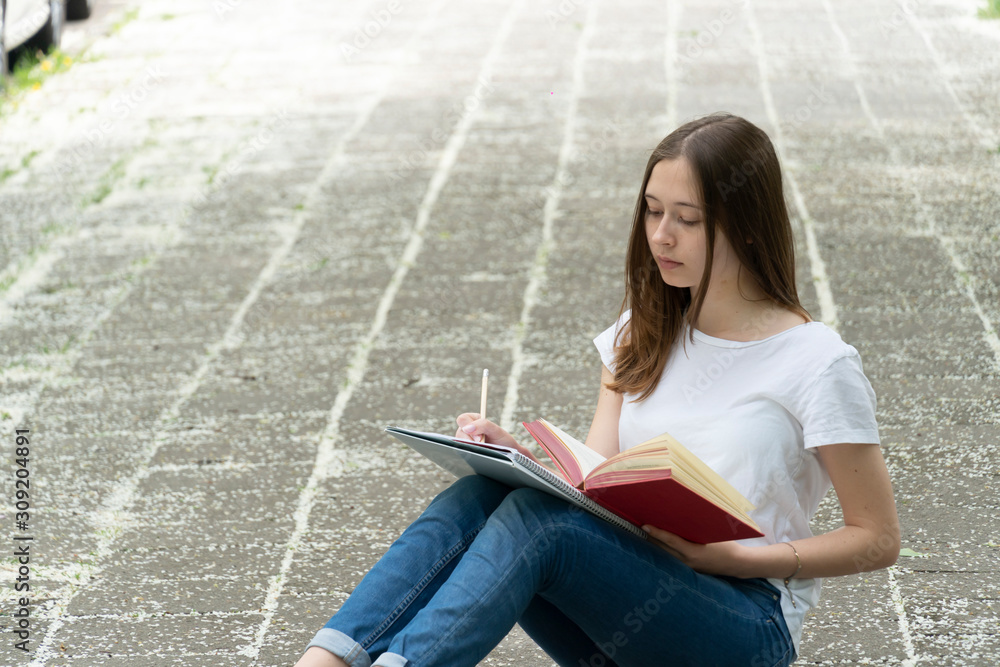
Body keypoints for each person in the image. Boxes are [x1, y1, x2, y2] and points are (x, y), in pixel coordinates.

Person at [295, 113, 900, 667]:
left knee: (543, 525)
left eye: (688, 219)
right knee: (482, 496)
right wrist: (520, 461)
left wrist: (738, 558)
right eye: (652, 211)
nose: (662, 235)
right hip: (627, 604)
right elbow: (599, 487)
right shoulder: (642, 332)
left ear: (744, 228)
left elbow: (877, 540)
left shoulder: (817, 363)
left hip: (743, 620)